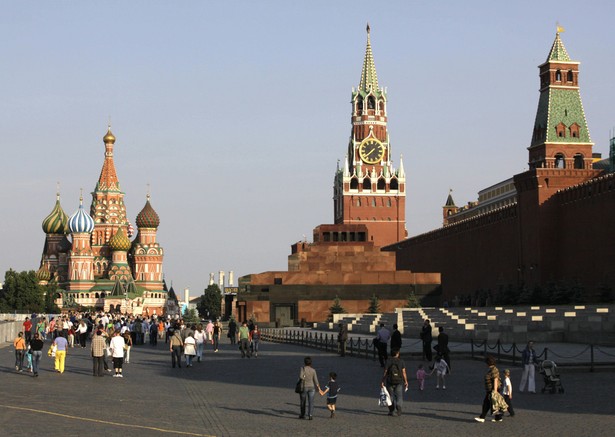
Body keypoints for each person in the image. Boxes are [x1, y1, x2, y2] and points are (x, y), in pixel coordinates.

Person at [475, 355, 503, 422]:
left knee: (486, 403)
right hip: (491, 389)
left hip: (492, 389)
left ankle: (482, 417)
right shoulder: (492, 369)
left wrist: (495, 391)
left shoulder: (493, 370)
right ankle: (498, 417)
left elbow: (495, 380)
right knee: (493, 403)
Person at [381, 349, 408, 416]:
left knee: (390, 396)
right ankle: (399, 406)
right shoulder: (401, 361)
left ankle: (391, 410)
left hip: (390, 380)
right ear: (398, 353)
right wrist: (406, 381)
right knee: (399, 396)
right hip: (399, 381)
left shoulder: (388, 361)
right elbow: (404, 372)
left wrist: (382, 380)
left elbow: (385, 372)